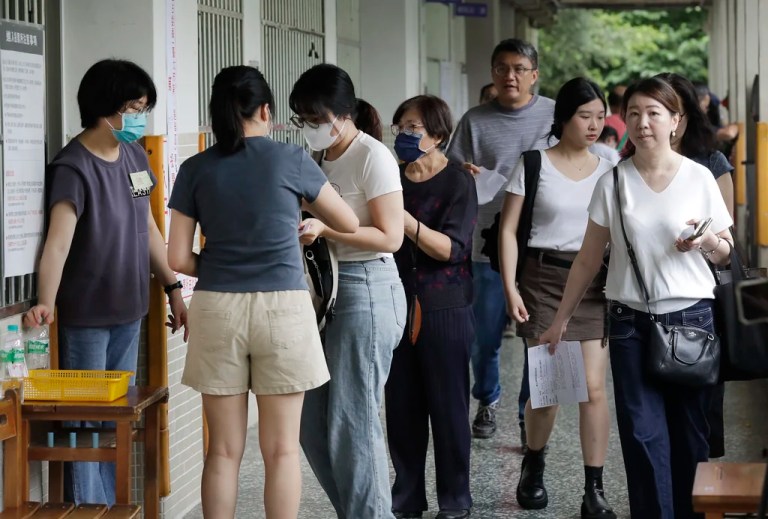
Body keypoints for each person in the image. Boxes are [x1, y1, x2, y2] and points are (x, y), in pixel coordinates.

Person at [166, 65, 358, 518]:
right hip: (284, 309)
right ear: (266, 110)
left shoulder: (195, 168)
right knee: (282, 450)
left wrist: (221, 266)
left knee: (222, 451)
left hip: (217, 308)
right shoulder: (292, 160)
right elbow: (349, 223)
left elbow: (177, 257)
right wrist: (308, 217)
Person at [539, 77, 734, 519]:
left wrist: (705, 241)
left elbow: (727, 252)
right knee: (643, 438)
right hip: (630, 325)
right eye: (634, 113)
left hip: (693, 322)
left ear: (675, 121)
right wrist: (561, 319)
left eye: (653, 113)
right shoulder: (613, 183)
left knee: (690, 438)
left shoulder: (699, 177)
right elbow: (588, 259)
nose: (643, 123)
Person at [22, 59, 187, 506]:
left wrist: (172, 288)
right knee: (87, 423)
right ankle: (90, 510)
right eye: (134, 107)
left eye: (144, 108)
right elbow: (57, 244)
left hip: (130, 310)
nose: (140, 117)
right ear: (104, 107)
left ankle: (110, 509)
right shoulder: (73, 167)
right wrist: (46, 303)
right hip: (87, 317)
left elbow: (148, 227)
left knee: (116, 420)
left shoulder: (134, 156)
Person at [289, 63, 406, 519]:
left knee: (353, 421)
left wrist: (326, 230)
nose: (310, 127)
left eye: (316, 118)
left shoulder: (372, 156)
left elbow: (391, 237)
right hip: (328, 288)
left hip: (368, 288)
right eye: (303, 119)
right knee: (313, 425)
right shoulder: (319, 157)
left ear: (343, 113)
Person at [499, 77, 615, 519]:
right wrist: (510, 286)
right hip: (543, 279)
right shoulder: (534, 163)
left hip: (594, 284)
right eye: (585, 116)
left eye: (600, 116)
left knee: (593, 388)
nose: (594, 125)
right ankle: (534, 461)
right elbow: (509, 230)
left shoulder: (609, 168)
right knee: (548, 388)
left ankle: (594, 488)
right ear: (564, 117)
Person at [447, 38, 554, 443]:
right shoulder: (474, 121)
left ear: (534, 75)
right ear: (492, 73)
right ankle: (487, 399)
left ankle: (530, 414)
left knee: (536, 337)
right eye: (502, 68)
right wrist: (463, 173)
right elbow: (451, 171)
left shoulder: (554, 116)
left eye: (519, 68)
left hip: (541, 243)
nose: (510, 76)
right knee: (485, 335)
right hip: (487, 243)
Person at [385, 95, 478, 519]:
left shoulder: (458, 181)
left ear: (438, 135)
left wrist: (405, 222)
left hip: (445, 304)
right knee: (402, 406)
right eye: (400, 127)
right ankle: (407, 497)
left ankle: (455, 499)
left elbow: (453, 249)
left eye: (414, 128)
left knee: (448, 406)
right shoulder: (390, 177)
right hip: (396, 301)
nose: (404, 135)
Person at [658, 72, 735, 460]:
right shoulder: (630, 165)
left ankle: (703, 479)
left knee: (703, 397)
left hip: (704, 293)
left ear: (686, 115)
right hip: (651, 295)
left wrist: (701, 240)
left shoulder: (711, 162)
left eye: (674, 111)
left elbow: (726, 238)